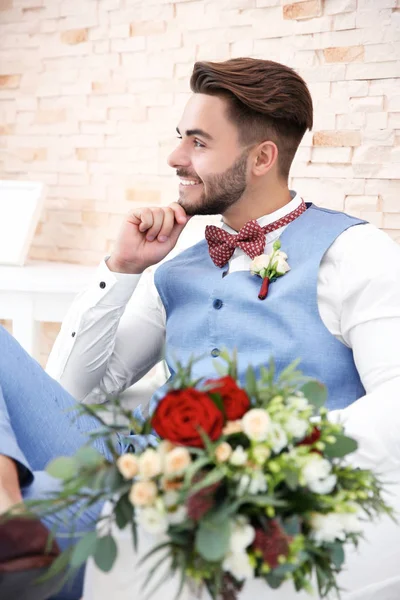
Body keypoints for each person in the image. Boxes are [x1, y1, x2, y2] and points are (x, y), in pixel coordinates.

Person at [47, 58, 400, 421]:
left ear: (262, 158)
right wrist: (122, 268)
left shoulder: (357, 254)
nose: (174, 157)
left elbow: (393, 410)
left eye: (198, 143)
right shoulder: (173, 271)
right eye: (180, 138)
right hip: (145, 466)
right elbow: (69, 393)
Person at [0, 325, 114, 600]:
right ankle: (6, 503)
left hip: (190, 474)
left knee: (38, 503)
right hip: (114, 447)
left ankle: (10, 519)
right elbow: (79, 384)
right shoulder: (171, 285)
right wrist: (120, 280)